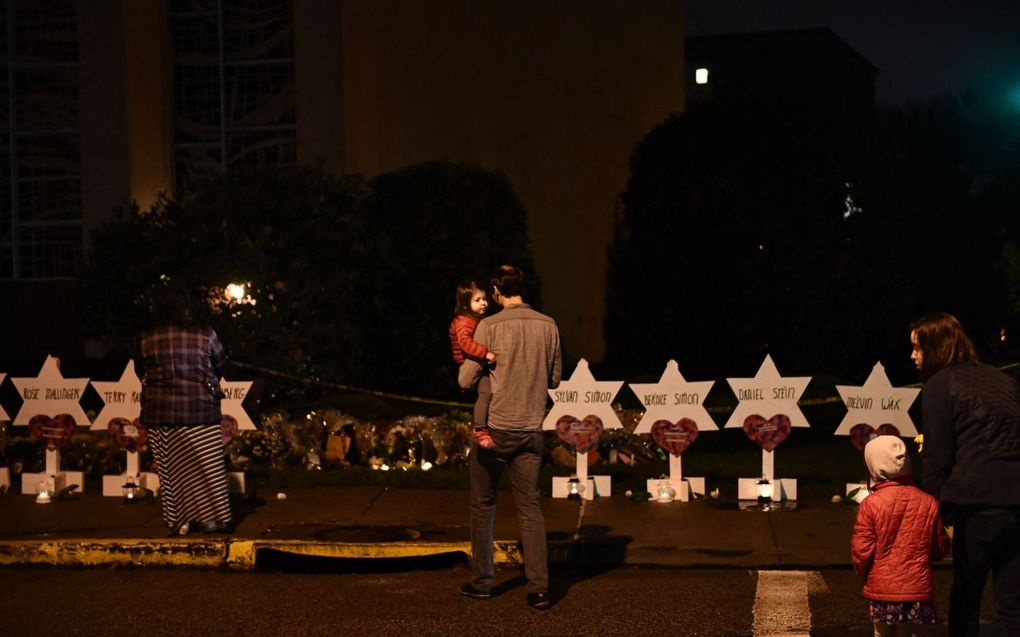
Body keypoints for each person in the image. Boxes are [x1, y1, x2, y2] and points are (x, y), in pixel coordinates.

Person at [458, 265, 562, 610]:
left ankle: (483, 581)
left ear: (497, 291)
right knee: (530, 509)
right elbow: (556, 379)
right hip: (532, 426)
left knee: (483, 506)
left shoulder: (488, 326)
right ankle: (540, 589)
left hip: (496, 426)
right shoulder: (548, 325)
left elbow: (465, 380)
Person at [910, 312, 1020, 636]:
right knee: (1013, 602)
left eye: (917, 348)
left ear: (935, 348)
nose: (912, 355)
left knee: (966, 599)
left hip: (977, 504)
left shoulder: (939, 386)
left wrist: (941, 513)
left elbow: (936, 460)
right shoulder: (1003, 380)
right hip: (1017, 500)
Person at [136, 287, 233, 536]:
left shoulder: (147, 337)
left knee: (171, 472)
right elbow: (219, 363)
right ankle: (214, 520)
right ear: (187, 309)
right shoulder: (205, 334)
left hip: (161, 414)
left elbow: (141, 371)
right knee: (206, 468)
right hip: (201, 412)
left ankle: (179, 522)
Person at [852, 435, 951, 637]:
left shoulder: (871, 504)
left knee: (882, 634)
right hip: (917, 589)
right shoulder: (928, 502)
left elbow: (862, 550)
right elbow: (940, 549)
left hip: (882, 588)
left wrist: (863, 572)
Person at [448, 280, 497, 448]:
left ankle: (486, 426)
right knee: (486, 393)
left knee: (489, 393)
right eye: (477, 300)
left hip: (478, 363)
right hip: (470, 364)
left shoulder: (476, 319)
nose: (484, 303)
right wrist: (486, 353)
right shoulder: (463, 321)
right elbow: (465, 344)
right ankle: (480, 429)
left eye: (484, 298)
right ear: (465, 304)